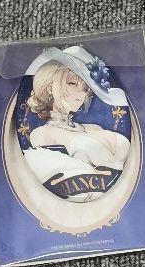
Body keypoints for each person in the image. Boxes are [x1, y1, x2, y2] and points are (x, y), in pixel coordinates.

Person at [19, 45, 131, 200]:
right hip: (76, 200)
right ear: (50, 87)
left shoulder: (93, 128)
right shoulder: (42, 134)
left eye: (85, 89)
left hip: (119, 195)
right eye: (72, 84)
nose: (81, 95)